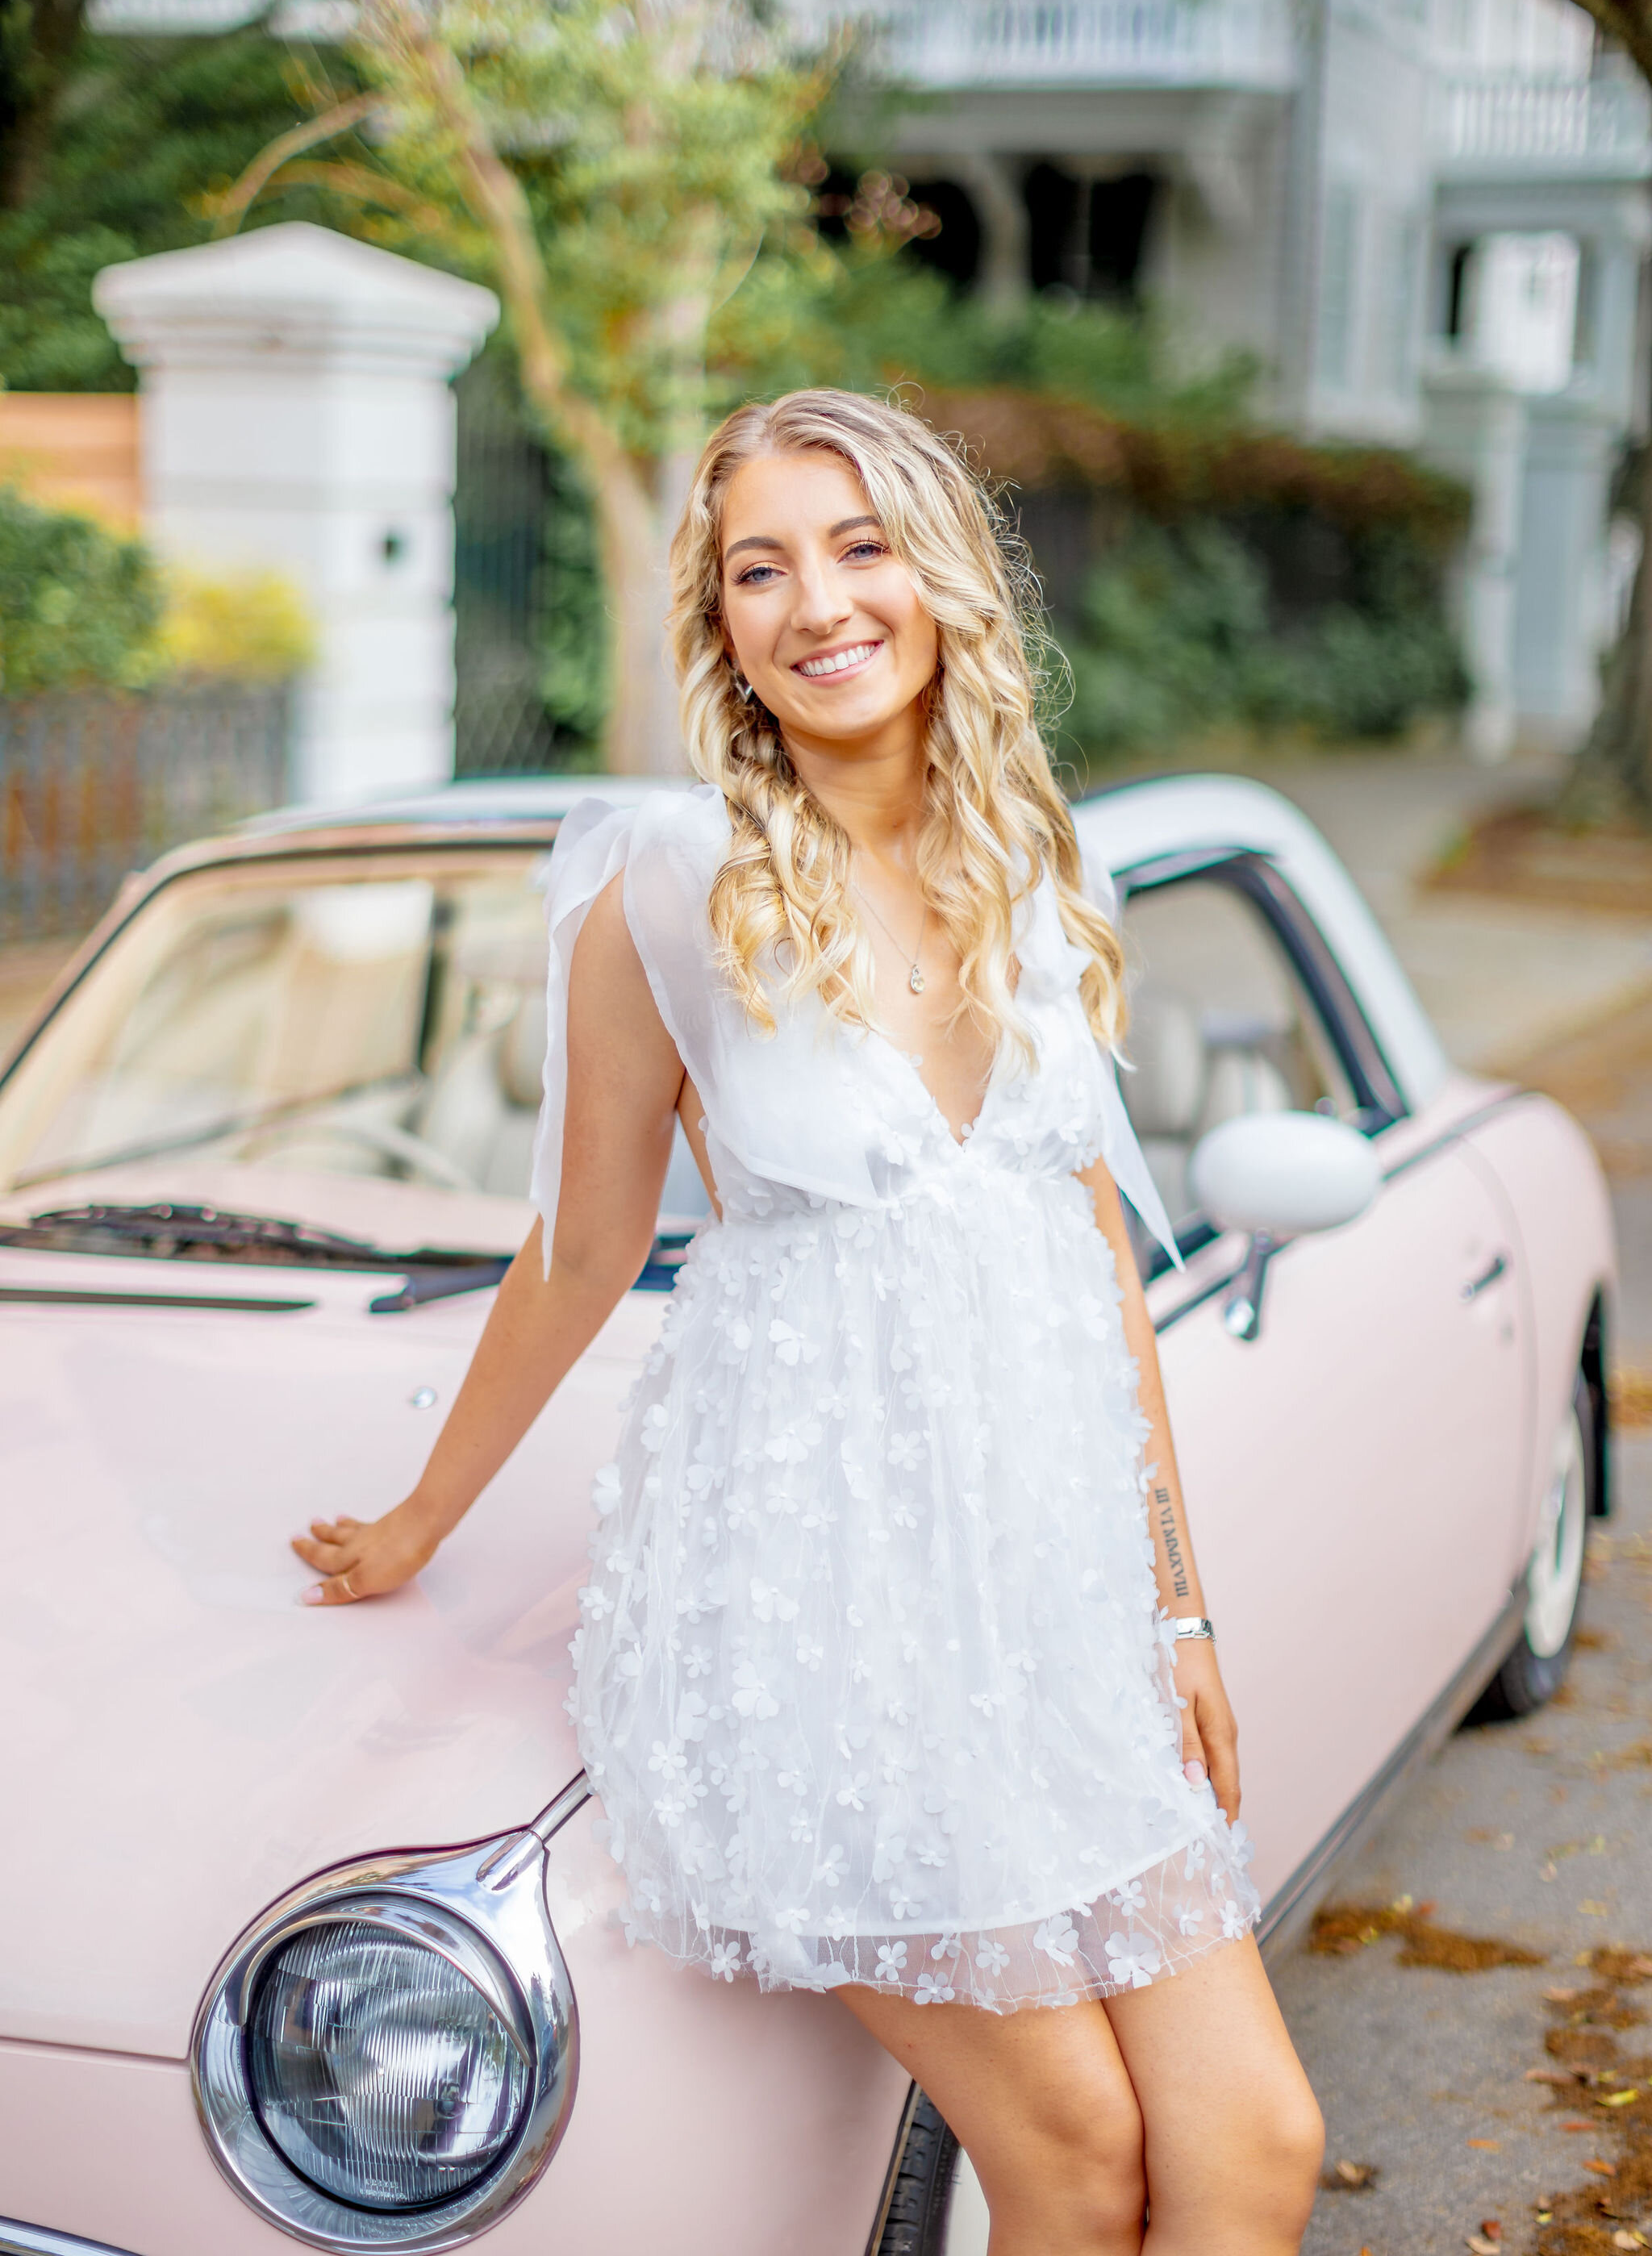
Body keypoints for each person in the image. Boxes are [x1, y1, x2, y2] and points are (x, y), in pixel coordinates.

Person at [294, 389, 1325, 2253]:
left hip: (1047, 1614)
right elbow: (577, 1251)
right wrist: (415, 1522)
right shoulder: (666, 891)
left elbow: (1093, 1271)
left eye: (855, 547)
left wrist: (1174, 1606)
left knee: (1253, 2149)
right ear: (723, 631)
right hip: (819, 1619)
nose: (814, 603)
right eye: (757, 569)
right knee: (1077, 2157)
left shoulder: (1034, 867)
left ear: (939, 580)